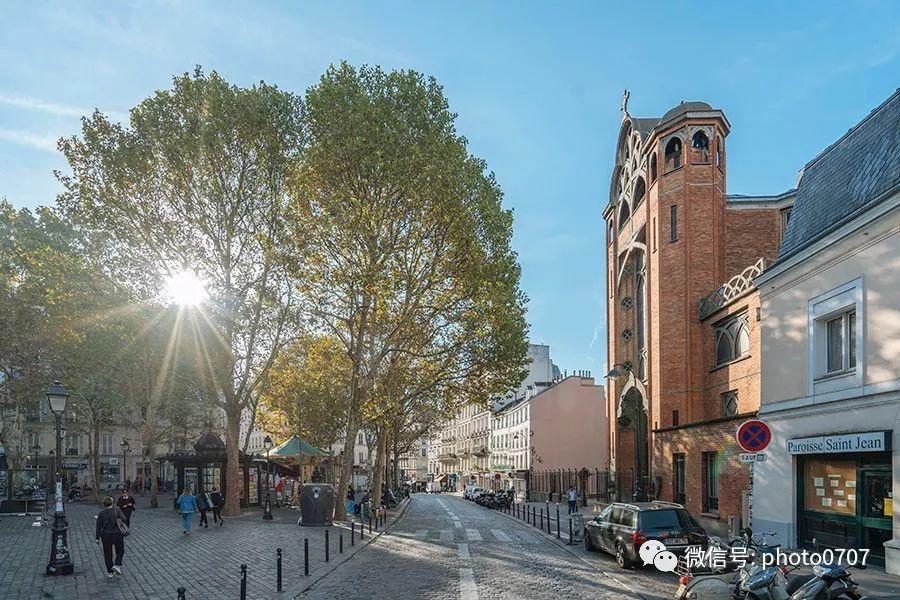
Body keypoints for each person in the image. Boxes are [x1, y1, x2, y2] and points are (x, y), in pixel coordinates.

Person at [95, 496, 127, 579]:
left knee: (107, 554)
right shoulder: (117, 510)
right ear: (112, 503)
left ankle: (110, 572)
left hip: (105, 535)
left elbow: (98, 527)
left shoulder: (101, 513)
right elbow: (124, 519)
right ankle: (117, 564)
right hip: (117, 533)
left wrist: (97, 538)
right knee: (120, 550)